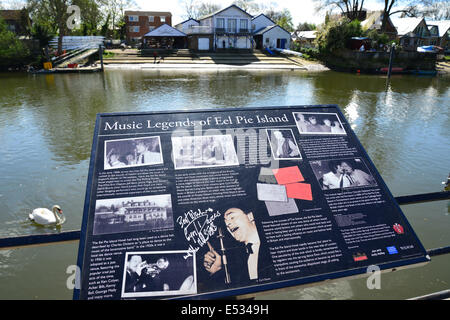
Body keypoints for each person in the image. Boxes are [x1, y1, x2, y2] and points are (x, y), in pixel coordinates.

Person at [203, 208, 274, 286]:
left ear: (250, 216)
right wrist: (216, 270)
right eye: (225, 221)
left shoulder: (274, 243)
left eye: (232, 217)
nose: (228, 224)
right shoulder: (238, 260)